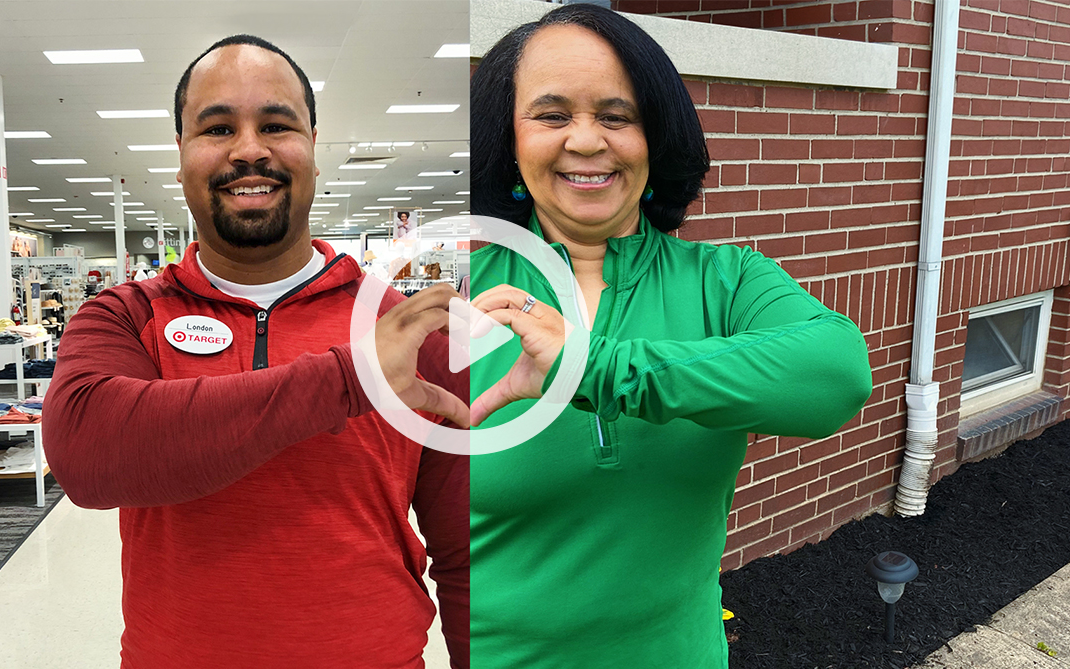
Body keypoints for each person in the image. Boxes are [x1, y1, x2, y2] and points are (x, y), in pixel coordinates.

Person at [44, 34, 469, 669]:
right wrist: (349, 379)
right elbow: (87, 458)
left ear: (314, 148)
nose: (249, 150)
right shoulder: (125, 317)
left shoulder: (408, 331)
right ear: (182, 153)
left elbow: (470, 557)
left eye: (276, 124)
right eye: (217, 128)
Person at [466, 5, 873, 668]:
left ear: (655, 137)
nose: (588, 140)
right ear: (509, 141)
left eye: (617, 115)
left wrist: (595, 366)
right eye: (552, 114)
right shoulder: (453, 289)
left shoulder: (726, 280)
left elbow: (838, 374)